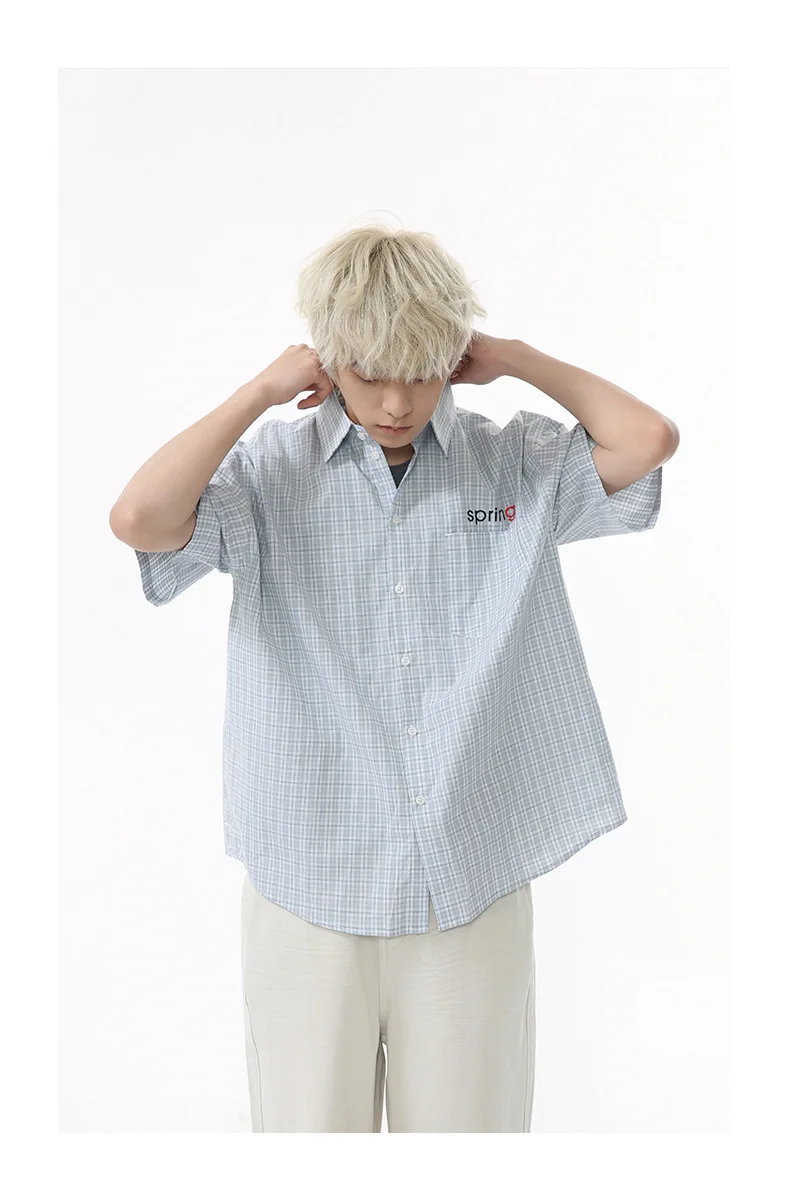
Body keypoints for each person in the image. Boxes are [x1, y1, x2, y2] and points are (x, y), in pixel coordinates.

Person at [109, 223, 679, 1132]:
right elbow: (140, 518)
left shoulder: (516, 462)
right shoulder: (267, 475)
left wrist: (514, 357)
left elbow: (648, 438)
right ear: (327, 357)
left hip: (470, 878)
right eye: (369, 372)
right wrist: (258, 392)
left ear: (451, 357)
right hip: (309, 883)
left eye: (419, 370)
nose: (395, 401)